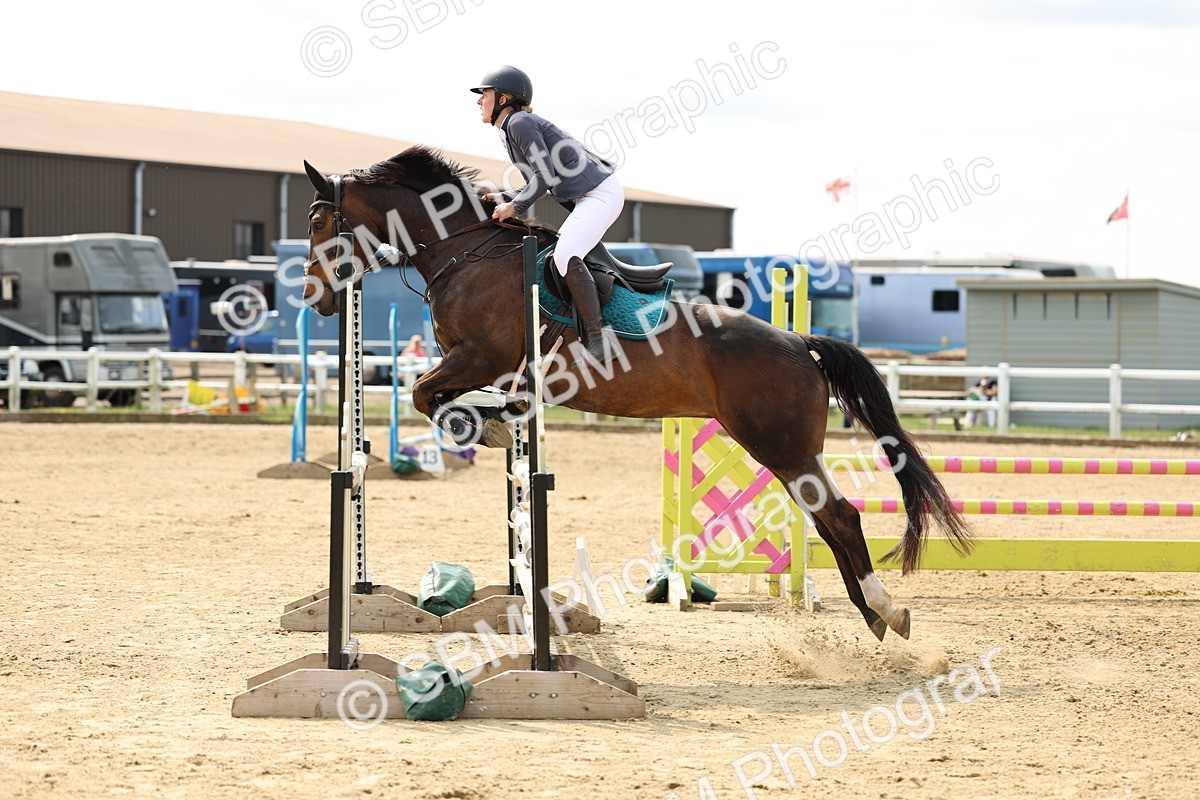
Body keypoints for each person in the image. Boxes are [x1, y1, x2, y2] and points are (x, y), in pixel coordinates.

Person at [471, 65, 623, 365]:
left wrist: (514, 207)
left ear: (503, 99)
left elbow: (545, 177)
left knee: (565, 255)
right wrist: (505, 197)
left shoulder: (519, 123)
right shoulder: (511, 128)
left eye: (484, 95)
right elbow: (535, 182)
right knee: (556, 256)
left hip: (599, 195)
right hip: (589, 197)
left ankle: (599, 339)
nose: (479, 101)